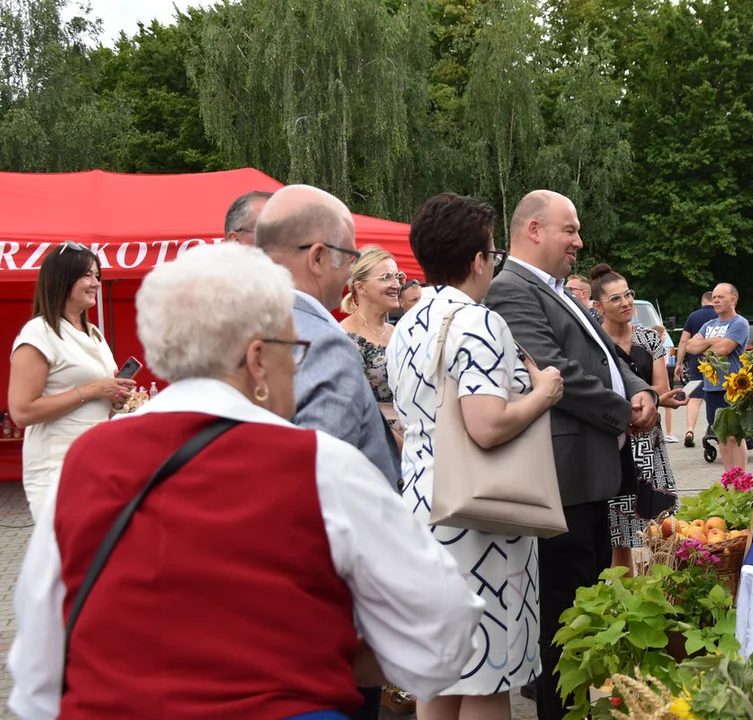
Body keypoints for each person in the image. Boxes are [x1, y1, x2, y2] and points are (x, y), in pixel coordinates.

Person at [7, 243, 485, 720]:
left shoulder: (87, 462)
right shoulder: (320, 465)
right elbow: (446, 627)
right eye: (292, 349)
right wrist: (335, 660)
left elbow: (39, 673)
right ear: (257, 358)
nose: (295, 366)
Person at [387, 193, 563, 720]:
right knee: (489, 675)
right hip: (479, 517)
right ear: (479, 260)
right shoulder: (479, 322)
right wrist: (544, 393)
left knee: (439, 674)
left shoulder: (407, 326)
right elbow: (486, 426)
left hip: (422, 504)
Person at [484, 189, 658, 720]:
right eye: (570, 230)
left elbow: (604, 355)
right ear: (534, 230)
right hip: (563, 484)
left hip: (589, 478)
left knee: (586, 619)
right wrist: (621, 410)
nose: (579, 242)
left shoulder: (553, 289)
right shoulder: (511, 290)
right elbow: (555, 368)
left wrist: (639, 387)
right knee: (565, 627)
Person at [255, 185, 400, 491]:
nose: (351, 270)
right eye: (349, 255)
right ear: (318, 258)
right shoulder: (324, 345)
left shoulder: (241, 328)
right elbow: (323, 485)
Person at [7, 242, 135, 520]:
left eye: (98, 276)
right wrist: (91, 391)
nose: (96, 284)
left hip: (98, 459)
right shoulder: (38, 333)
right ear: (63, 279)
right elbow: (21, 412)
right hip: (56, 464)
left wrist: (114, 398)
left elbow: (100, 398)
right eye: (87, 276)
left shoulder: (94, 334)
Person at [592, 264, 684, 572]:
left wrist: (652, 402)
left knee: (660, 525)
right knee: (619, 533)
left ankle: (664, 587)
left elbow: (660, 387)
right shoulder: (592, 342)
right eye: (616, 298)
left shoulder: (649, 338)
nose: (626, 303)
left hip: (649, 442)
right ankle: (625, 598)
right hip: (614, 442)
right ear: (598, 306)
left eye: (628, 294)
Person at [684, 283, 750, 470]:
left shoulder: (739, 323)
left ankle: (741, 480)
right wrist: (714, 341)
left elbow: (724, 349)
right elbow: (690, 347)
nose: (716, 300)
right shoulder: (708, 325)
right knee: (721, 435)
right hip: (711, 388)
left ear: (733, 300)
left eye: (720, 297)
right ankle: (729, 480)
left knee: (735, 435)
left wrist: (704, 345)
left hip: (733, 387)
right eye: (714, 297)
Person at [339, 245, 404, 425]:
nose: (396, 285)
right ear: (361, 287)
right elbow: (351, 408)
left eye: (398, 277)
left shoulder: (397, 332)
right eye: (386, 277)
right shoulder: (344, 337)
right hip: (375, 440)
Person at [674, 291, 717, 447]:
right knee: (717, 397)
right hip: (717, 362)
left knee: (694, 398)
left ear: (703, 301)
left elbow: (684, 341)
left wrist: (679, 363)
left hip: (696, 362)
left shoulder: (694, 316)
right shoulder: (722, 316)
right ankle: (717, 428)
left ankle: (690, 430)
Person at [652, 324, 678, 443]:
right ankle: (668, 433)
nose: (665, 338)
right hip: (663, 380)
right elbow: (663, 368)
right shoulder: (661, 351)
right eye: (664, 335)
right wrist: (667, 386)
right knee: (668, 407)